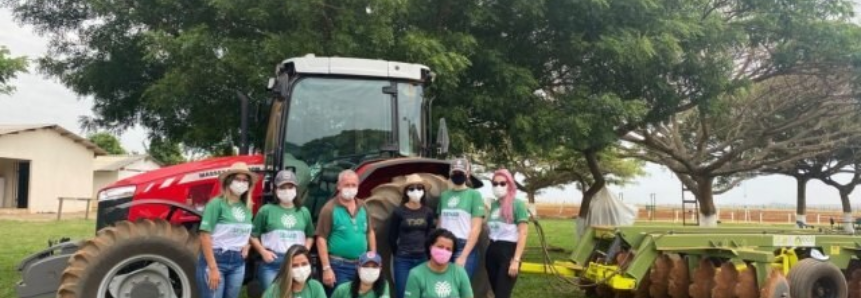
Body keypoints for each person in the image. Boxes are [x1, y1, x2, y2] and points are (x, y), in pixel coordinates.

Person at [196, 162, 257, 298]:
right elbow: (204, 236)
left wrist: (247, 245)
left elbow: (247, 232)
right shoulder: (216, 204)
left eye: (245, 180)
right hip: (216, 259)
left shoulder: (247, 207)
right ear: (229, 181)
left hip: (238, 263)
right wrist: (213, 268)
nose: (242, 183)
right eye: (238, 179)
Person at [251, 170, 316, 290]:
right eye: (282, 187)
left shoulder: (303, 212)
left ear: (296, 189)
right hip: (273, 264)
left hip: (296, 263)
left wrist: (305, 249)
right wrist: (262, 251)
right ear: (276, 190)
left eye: (290, 187)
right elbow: (253, 235)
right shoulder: (266, 210)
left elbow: (310, 235)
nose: (287, 190)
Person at [316, 169, 377, 293]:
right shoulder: (329, 209)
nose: (350, 188)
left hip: (361, 265)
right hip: (339, 266)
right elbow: (321, 239)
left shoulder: (363, 206)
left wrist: (373, 258)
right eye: (346, 185)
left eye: (353, 185)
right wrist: (326, 268)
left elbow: (370, 232)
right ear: (339, 186)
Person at [388, 174, 435, 298]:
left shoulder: (428, 212)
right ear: (406, 192)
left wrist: (427, 253)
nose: (416, 191)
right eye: (412, 188)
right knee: (403, 293)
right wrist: (399, 253)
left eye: (419, 188)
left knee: (423, 292)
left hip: (422, 258)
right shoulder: (398, 212)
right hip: (403, 259)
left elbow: (429, 234)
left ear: (424, 191)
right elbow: (392, 237)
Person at [485, 169, 529, 298]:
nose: (498, 186)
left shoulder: (518, 204)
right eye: (495, 183)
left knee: (502, 294)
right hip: (492, 251)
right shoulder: (493, 205)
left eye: (502, 183)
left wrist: (516, 260)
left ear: (509, 184)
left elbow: (523, 232)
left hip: (508, 252)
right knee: (496, 291)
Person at [436, 157, 484, 276]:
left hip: (463, 246)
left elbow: (476, 228)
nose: (457, 175)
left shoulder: (474, 195)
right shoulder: (444, 196)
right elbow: (439, 224)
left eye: (461, 172)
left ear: (467, 174)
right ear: (450, 174)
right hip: (444, 245)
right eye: (455, 172)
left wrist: (463, 256)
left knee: (461, 287)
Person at [404, 229, 473, 298]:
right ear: (431, 247)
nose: (443, 251)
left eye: (448, 249)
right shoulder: (416, 274)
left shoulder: (459, 272)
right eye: (440, 247)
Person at [261, 245, 327, 298]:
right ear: (287, 268)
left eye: (304, 264)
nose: (300, 269)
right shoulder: (274, 290)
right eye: (295, 266)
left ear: (310, 264)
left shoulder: (315, 287)